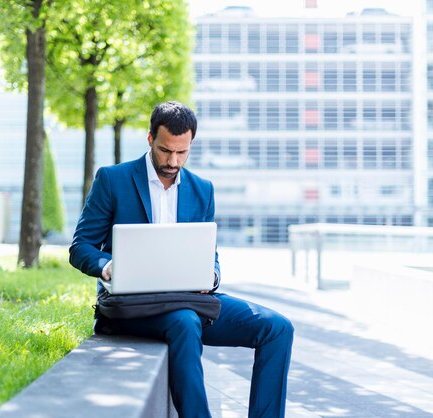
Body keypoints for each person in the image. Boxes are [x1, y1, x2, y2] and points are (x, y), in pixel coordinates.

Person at [69, 101, 294, 418]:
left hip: (189, 298)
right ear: (150, 139)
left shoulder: (203, 189)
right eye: (165, 151)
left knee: (278, 328)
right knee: (185, 322)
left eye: (182, 153)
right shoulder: (112, 180)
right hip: (134, 305)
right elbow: (80, 247)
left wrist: (211, 276)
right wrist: (109, 267)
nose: (173, 161)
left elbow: (208, 253)